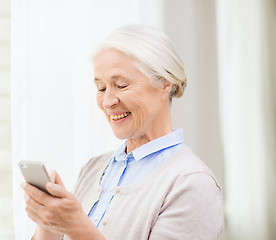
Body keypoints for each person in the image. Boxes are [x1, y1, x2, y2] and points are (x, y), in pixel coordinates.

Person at [21, 24, 223, 240]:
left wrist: (75, 227)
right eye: (101, 88)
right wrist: (49, 222)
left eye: (121, 85)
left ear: (165, 82)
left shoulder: (193, 184)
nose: (107, 102)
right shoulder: (93, 169)